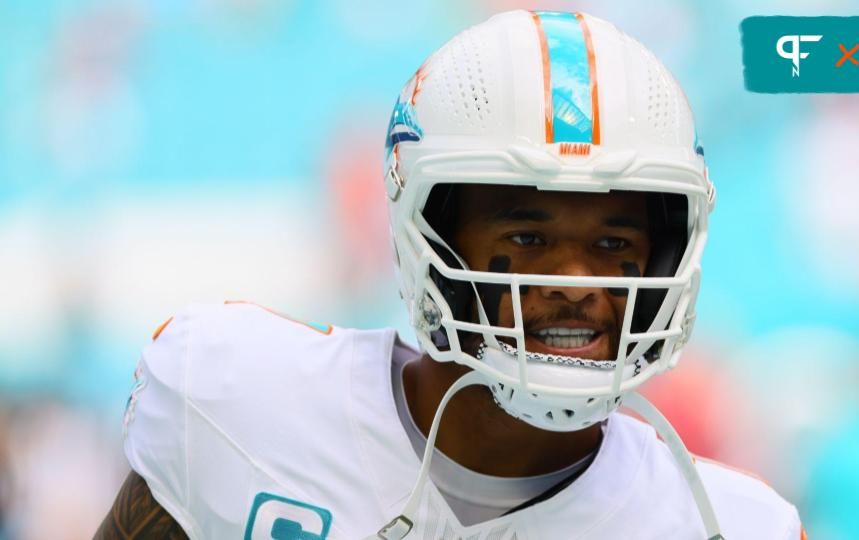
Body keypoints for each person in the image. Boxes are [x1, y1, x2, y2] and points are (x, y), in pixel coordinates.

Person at [95, 10, 804, 540]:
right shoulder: (242, 403)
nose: (577, 280)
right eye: (528, 236)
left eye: (614, 241)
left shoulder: (725, 524)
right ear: (428, 233)